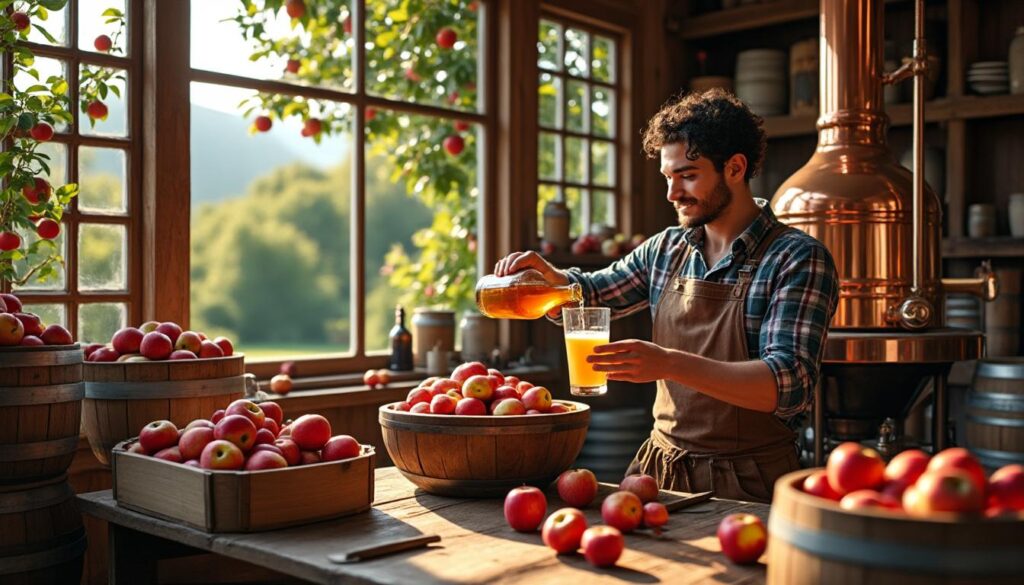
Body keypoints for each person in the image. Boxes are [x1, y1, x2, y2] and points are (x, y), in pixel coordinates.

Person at [493, 89, 840, 502]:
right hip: (658, 472)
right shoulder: (666, 249)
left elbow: (785, 385)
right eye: (668, 177)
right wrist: (555, 283)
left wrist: (668, 363)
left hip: (749, 481)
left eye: (688, 175)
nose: (672, 193)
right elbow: (593, 292)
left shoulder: (797, 258)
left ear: (735, 167)